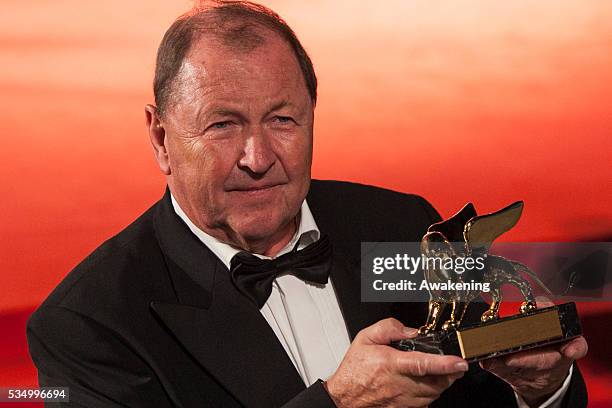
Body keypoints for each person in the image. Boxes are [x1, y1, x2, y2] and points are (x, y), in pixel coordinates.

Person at [27, 1, 588, 407]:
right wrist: (337, 405)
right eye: (223, 124)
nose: (258, 156)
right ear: (160, 138)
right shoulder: (88, 323)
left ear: (313, 114)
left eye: (282, 119)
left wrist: (540, 393)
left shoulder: (403, 226)